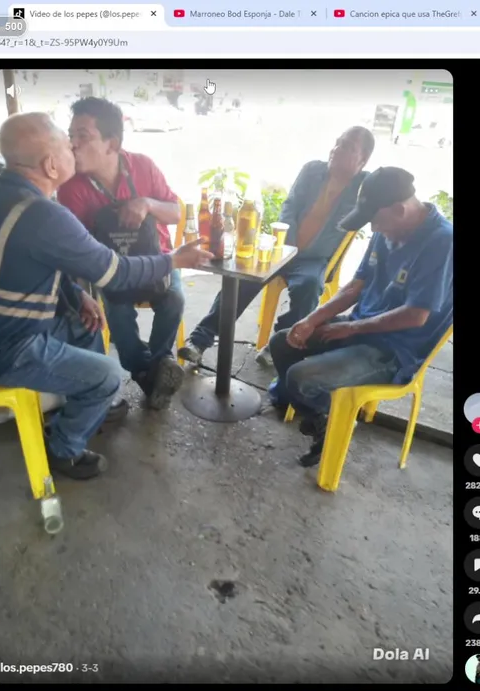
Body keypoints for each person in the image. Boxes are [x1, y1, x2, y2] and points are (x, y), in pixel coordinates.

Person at [0, 112, 212, 480]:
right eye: (68, 143)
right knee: (107, 374)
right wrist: (175, 260)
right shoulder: (44, 213)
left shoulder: (3, 191)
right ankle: (63, 449)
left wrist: (77, 293)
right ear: (50, 165)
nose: (74, 148)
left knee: (88, 322)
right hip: (8, 346)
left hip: (8, 326)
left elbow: (41, 256)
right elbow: (115, 272)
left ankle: (96, 400)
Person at [267, 167, 453, 466]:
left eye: (376, 221)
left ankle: (332, 418)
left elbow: (416, 315)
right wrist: (312, 319)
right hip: (360, 328)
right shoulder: (388, 229)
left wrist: (352, 329)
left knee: (301, 377)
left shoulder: (441, 242)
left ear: (400, 209)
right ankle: (322, 417)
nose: (374, 229)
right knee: (282, 343)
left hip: (395, 351)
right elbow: (355, 286)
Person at [181, 126, 376, 367]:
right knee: (241, 278)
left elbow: (391, 197)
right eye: (338, 142)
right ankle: (199, 340)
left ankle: (279, 345)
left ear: (362, 160)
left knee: (308, 286)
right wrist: (288, 246)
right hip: (282, 248)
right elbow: (290, 206)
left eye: (347, 147)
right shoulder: (312, 170)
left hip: (314, 260)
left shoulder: (364, 187)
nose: (337, 149)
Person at [57, 97, 189, 411]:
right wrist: (81, 290)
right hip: (112, 268)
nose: (73, 144)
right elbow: (74, 249)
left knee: (174, 299)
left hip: (158, 259)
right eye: (71, 135)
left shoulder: (142, 166)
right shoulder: (72, 188)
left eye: (83, 136)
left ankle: (159, 363)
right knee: (116, 310)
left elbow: (175, 213)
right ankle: (146, 372)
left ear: (112, 143)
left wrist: (147, 204)